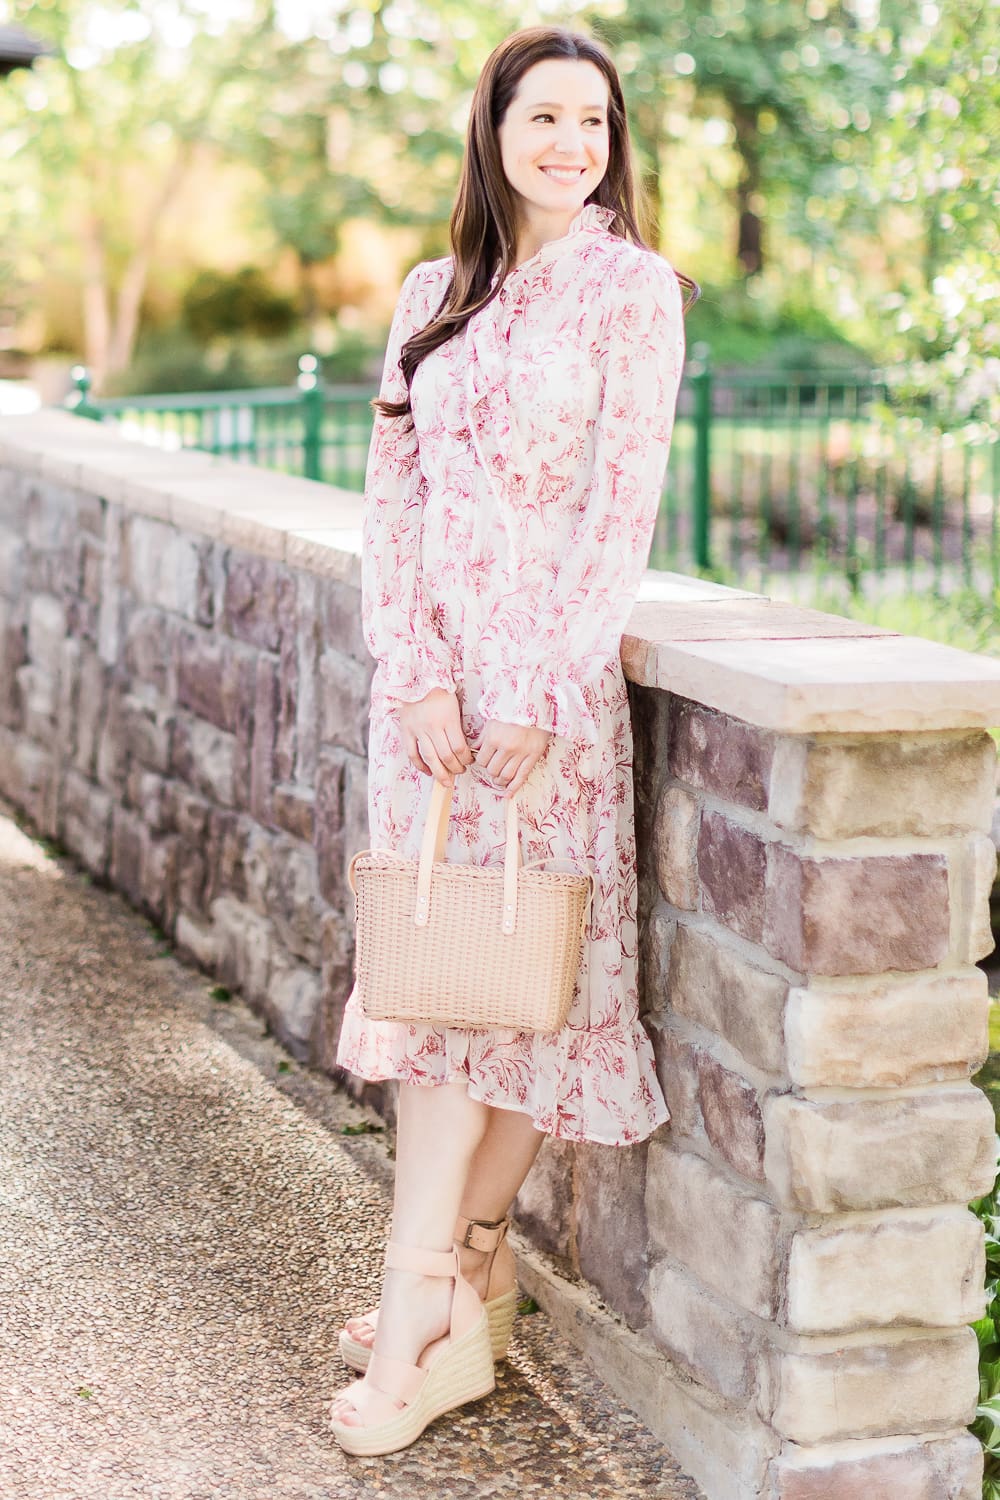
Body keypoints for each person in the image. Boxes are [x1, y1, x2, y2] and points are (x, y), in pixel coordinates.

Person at [329, 23, 696, 1456]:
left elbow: (619, 510)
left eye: (593, 122)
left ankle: (429, 1295)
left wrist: (538, 691)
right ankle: (450, 1282)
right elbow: (395, 498)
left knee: (531, 989)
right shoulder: (434, 293)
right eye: (542, 116)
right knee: (437, 997)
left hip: (549, 709)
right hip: (430, 712)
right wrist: (420, 673)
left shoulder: (634, 292)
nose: (569, 144)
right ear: (492, 130)